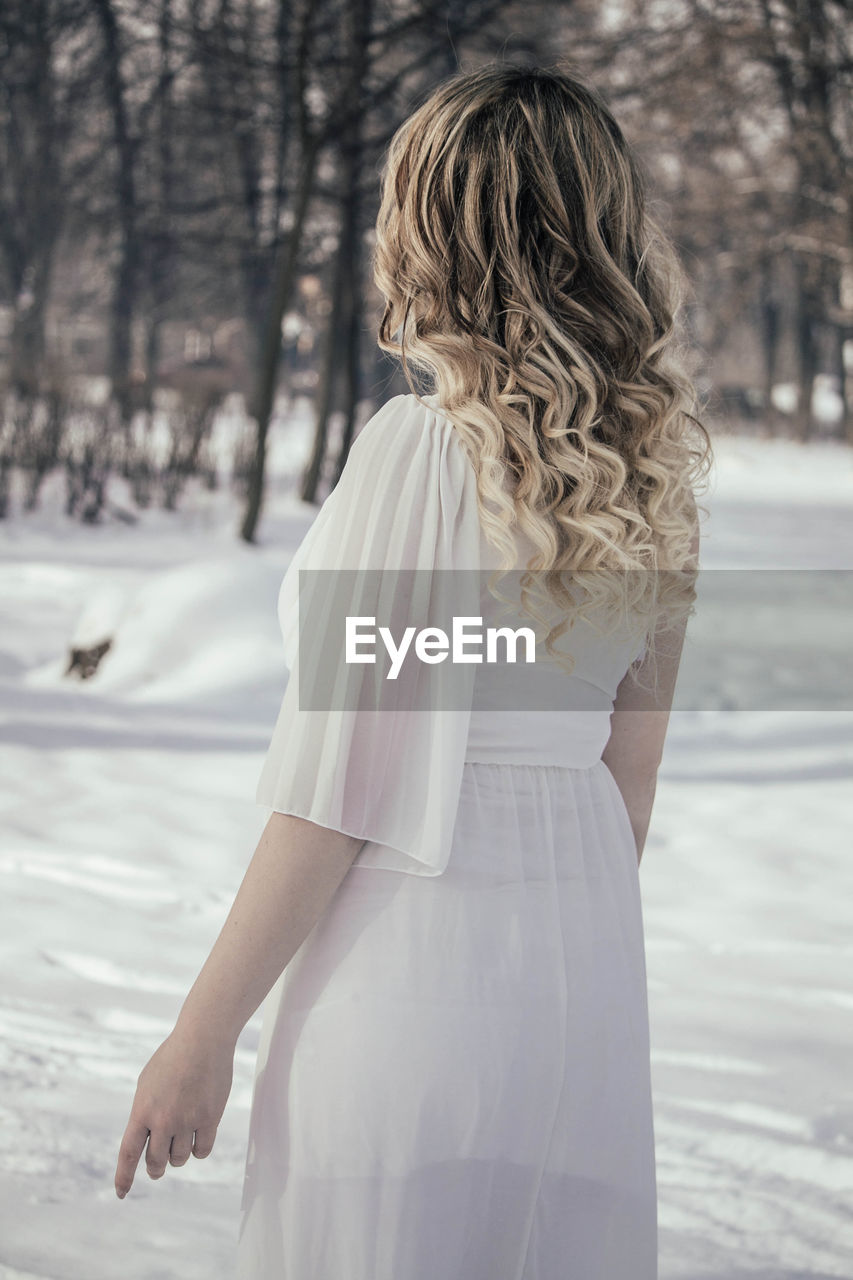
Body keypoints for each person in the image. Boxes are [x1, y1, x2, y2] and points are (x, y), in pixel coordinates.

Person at [114, 62, 711, 1279]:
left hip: (407, 969)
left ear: (436, 230)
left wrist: (202, 1030)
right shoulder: (653, 475)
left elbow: (333, 791)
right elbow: (625, 786)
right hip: (578, 979)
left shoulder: (415, 454)